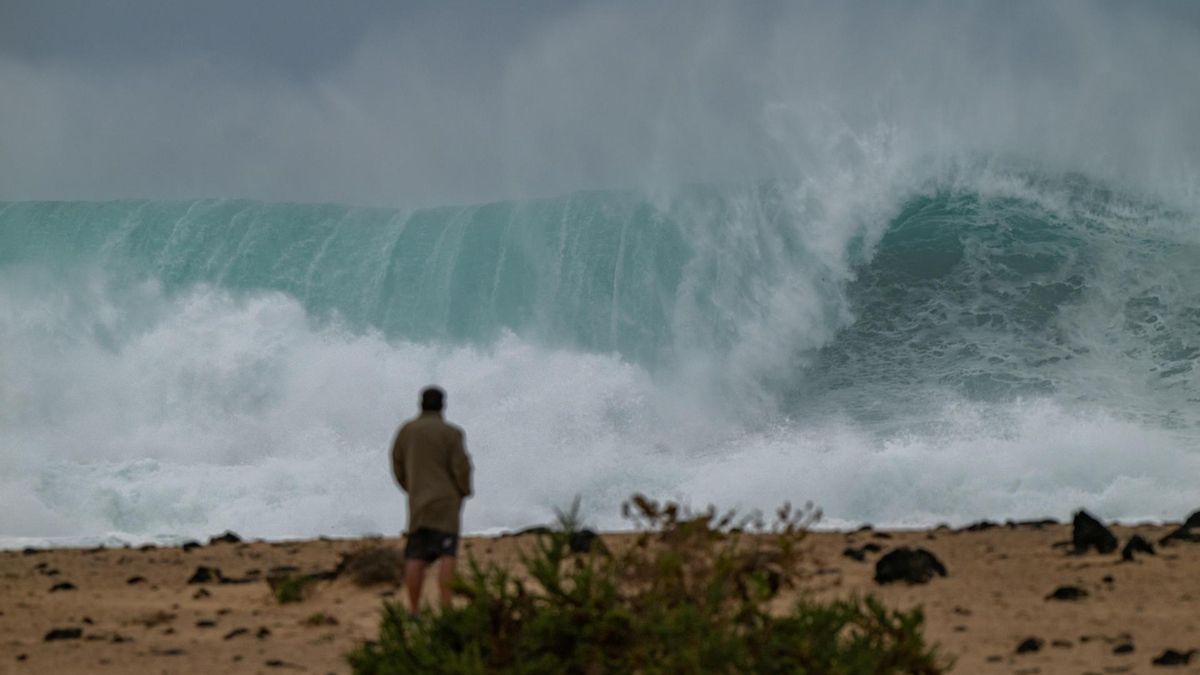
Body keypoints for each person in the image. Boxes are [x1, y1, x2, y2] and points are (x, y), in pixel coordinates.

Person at [391, 386, 473, 614]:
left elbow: (396, 464)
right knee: (448, 555)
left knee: (415, 557)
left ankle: (414, 610)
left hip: (418, 503)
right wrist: (464, 490)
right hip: (446, 502)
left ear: (421, 403)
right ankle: (446, 609)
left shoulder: (406, 431)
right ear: (443, 405)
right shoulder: (451, 433)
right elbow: (461, 467)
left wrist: (410, 487)